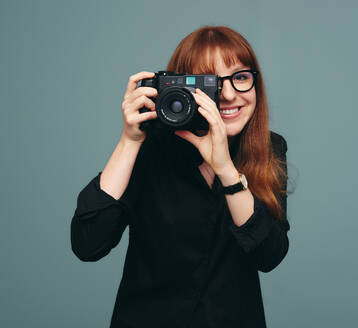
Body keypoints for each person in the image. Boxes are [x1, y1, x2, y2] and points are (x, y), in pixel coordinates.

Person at [71, 25, 290, 328]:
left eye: (240, 77)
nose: (228, 95)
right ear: (181, 87)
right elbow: (88, 243)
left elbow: (269, 255)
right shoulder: (151, 146)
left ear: (256, 84)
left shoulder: (269, 148)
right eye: (211, 83)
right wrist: (129, 141)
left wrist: (226, 168)